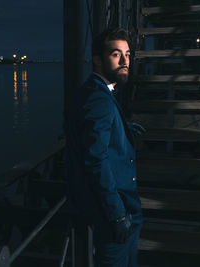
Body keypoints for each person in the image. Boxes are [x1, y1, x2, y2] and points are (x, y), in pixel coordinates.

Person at [66, 28, 144, 266]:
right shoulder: (99, 99)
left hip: (116, 209)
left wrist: (123, 125)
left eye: (128, 54)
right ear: (98, 60)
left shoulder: (96, 92)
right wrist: (117, 214)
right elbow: (95, 160)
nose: (125, 62)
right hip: (116, 213)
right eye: (116, 54)